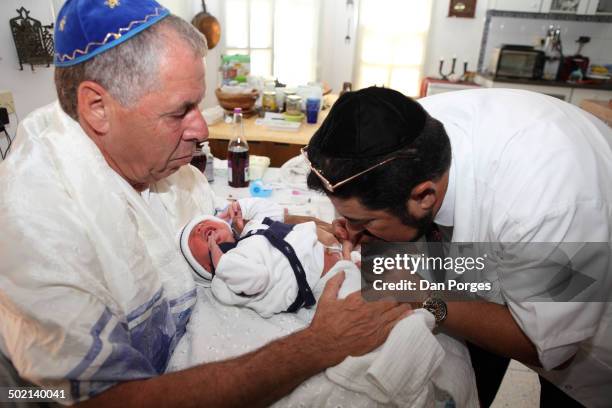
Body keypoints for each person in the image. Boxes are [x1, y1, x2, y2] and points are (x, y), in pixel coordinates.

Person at [0, 1, 409, 406]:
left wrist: (313, 226)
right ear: (98, 108)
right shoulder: (34, 222)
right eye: (182, 110)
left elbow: (225, 219)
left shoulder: (155, 160)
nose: (202, 129)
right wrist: (318, 345)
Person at [303, 86, 612, 407]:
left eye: (365, 221)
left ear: (424, 197)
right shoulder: (399, 136)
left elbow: (549, 349)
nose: (353, 231)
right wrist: (369, 228)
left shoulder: (547, 205)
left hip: (587, 339)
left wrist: (423, 297)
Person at [179, 198, 360, 317]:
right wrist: (221, 261)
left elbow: (273, 210)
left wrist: (242, 206)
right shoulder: (223, 283)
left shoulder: (253, 229)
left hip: (334, 251)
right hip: (326, 283)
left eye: (202, 223)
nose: (201, 229)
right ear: (206, 268)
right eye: (195, 235)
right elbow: (257, 277)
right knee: (365, 308)